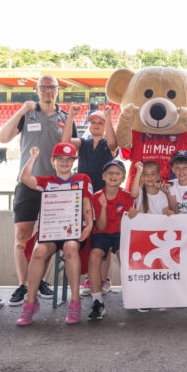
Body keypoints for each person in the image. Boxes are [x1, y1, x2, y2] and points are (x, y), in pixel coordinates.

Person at [0, 74, 77, 307]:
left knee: (49, 236)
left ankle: (40, 281)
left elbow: (73, 149)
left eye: (52, 87)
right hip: (28, 184)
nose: (48, 91)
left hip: (56, 186)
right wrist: (22, 110)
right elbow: (2, 137)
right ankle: (23, 285)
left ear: (58, 89)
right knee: (22, 236)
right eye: (43, 87)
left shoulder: (66, 117)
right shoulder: (27, 113)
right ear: (37, 89)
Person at [15, 142, 93, 325]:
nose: (64, 162)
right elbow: (25, 178)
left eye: (68, 159)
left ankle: (75, 301)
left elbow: (86, 204)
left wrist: (89, 224)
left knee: (71, 246)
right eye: (60, 159)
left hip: (73, 231)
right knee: (38, 251)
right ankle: (30, 302)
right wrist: (33, 157)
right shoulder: (46, 182)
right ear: (53, 161)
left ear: (74, 161)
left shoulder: (83, 178)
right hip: (52, 231)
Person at [62, 104, 119, 298]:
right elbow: (64, 143)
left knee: (105, 236)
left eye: (100, 122)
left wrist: (109, 117)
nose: (96, 125)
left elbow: (112, 143)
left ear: (105, 125)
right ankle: (90, 277)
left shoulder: (108, 144)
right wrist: (70, 116)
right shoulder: (83, 143)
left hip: (104, 195)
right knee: (87, 237)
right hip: (83, 195)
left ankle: (104, 279)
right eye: (93, 121)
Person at [87, 159, 135, 320]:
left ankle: (133, 295)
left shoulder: (127, 196)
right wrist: (104, 208)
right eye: (110, 173)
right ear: (103, 176)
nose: (113, 176)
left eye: (117, 173)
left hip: (120, 232)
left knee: (124, 254)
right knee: (94, 256)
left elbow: (127, 223)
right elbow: (100, 226)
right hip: (102, 233)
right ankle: (97, 302)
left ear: (123, 177)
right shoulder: (97, 197)